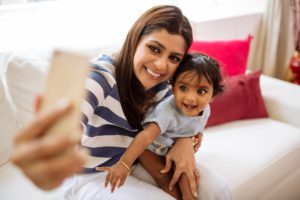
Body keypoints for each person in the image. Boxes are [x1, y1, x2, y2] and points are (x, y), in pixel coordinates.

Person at [12, 5, 232, 200]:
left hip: (135, 160)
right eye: (154, 49)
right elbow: (72, 117)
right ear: (135, 40)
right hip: (91, 176)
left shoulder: (165, 85)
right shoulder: (101, 77)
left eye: (174, 58)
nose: (160, 65)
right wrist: (51, 147)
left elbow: (179, 117)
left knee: (217, 190)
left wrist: (184, 140)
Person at [97, 52, 224, 200]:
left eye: (201, 91)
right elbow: (144, 137)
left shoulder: (205, 110)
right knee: (165, 179)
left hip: (170, 149)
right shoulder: (167, 112)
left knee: (189, 179)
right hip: (149, 150)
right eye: (183, 88)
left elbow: (196, 126)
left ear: (213, 95)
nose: (190, 98)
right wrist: (124, 164)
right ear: (173, 87)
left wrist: (198, 136)